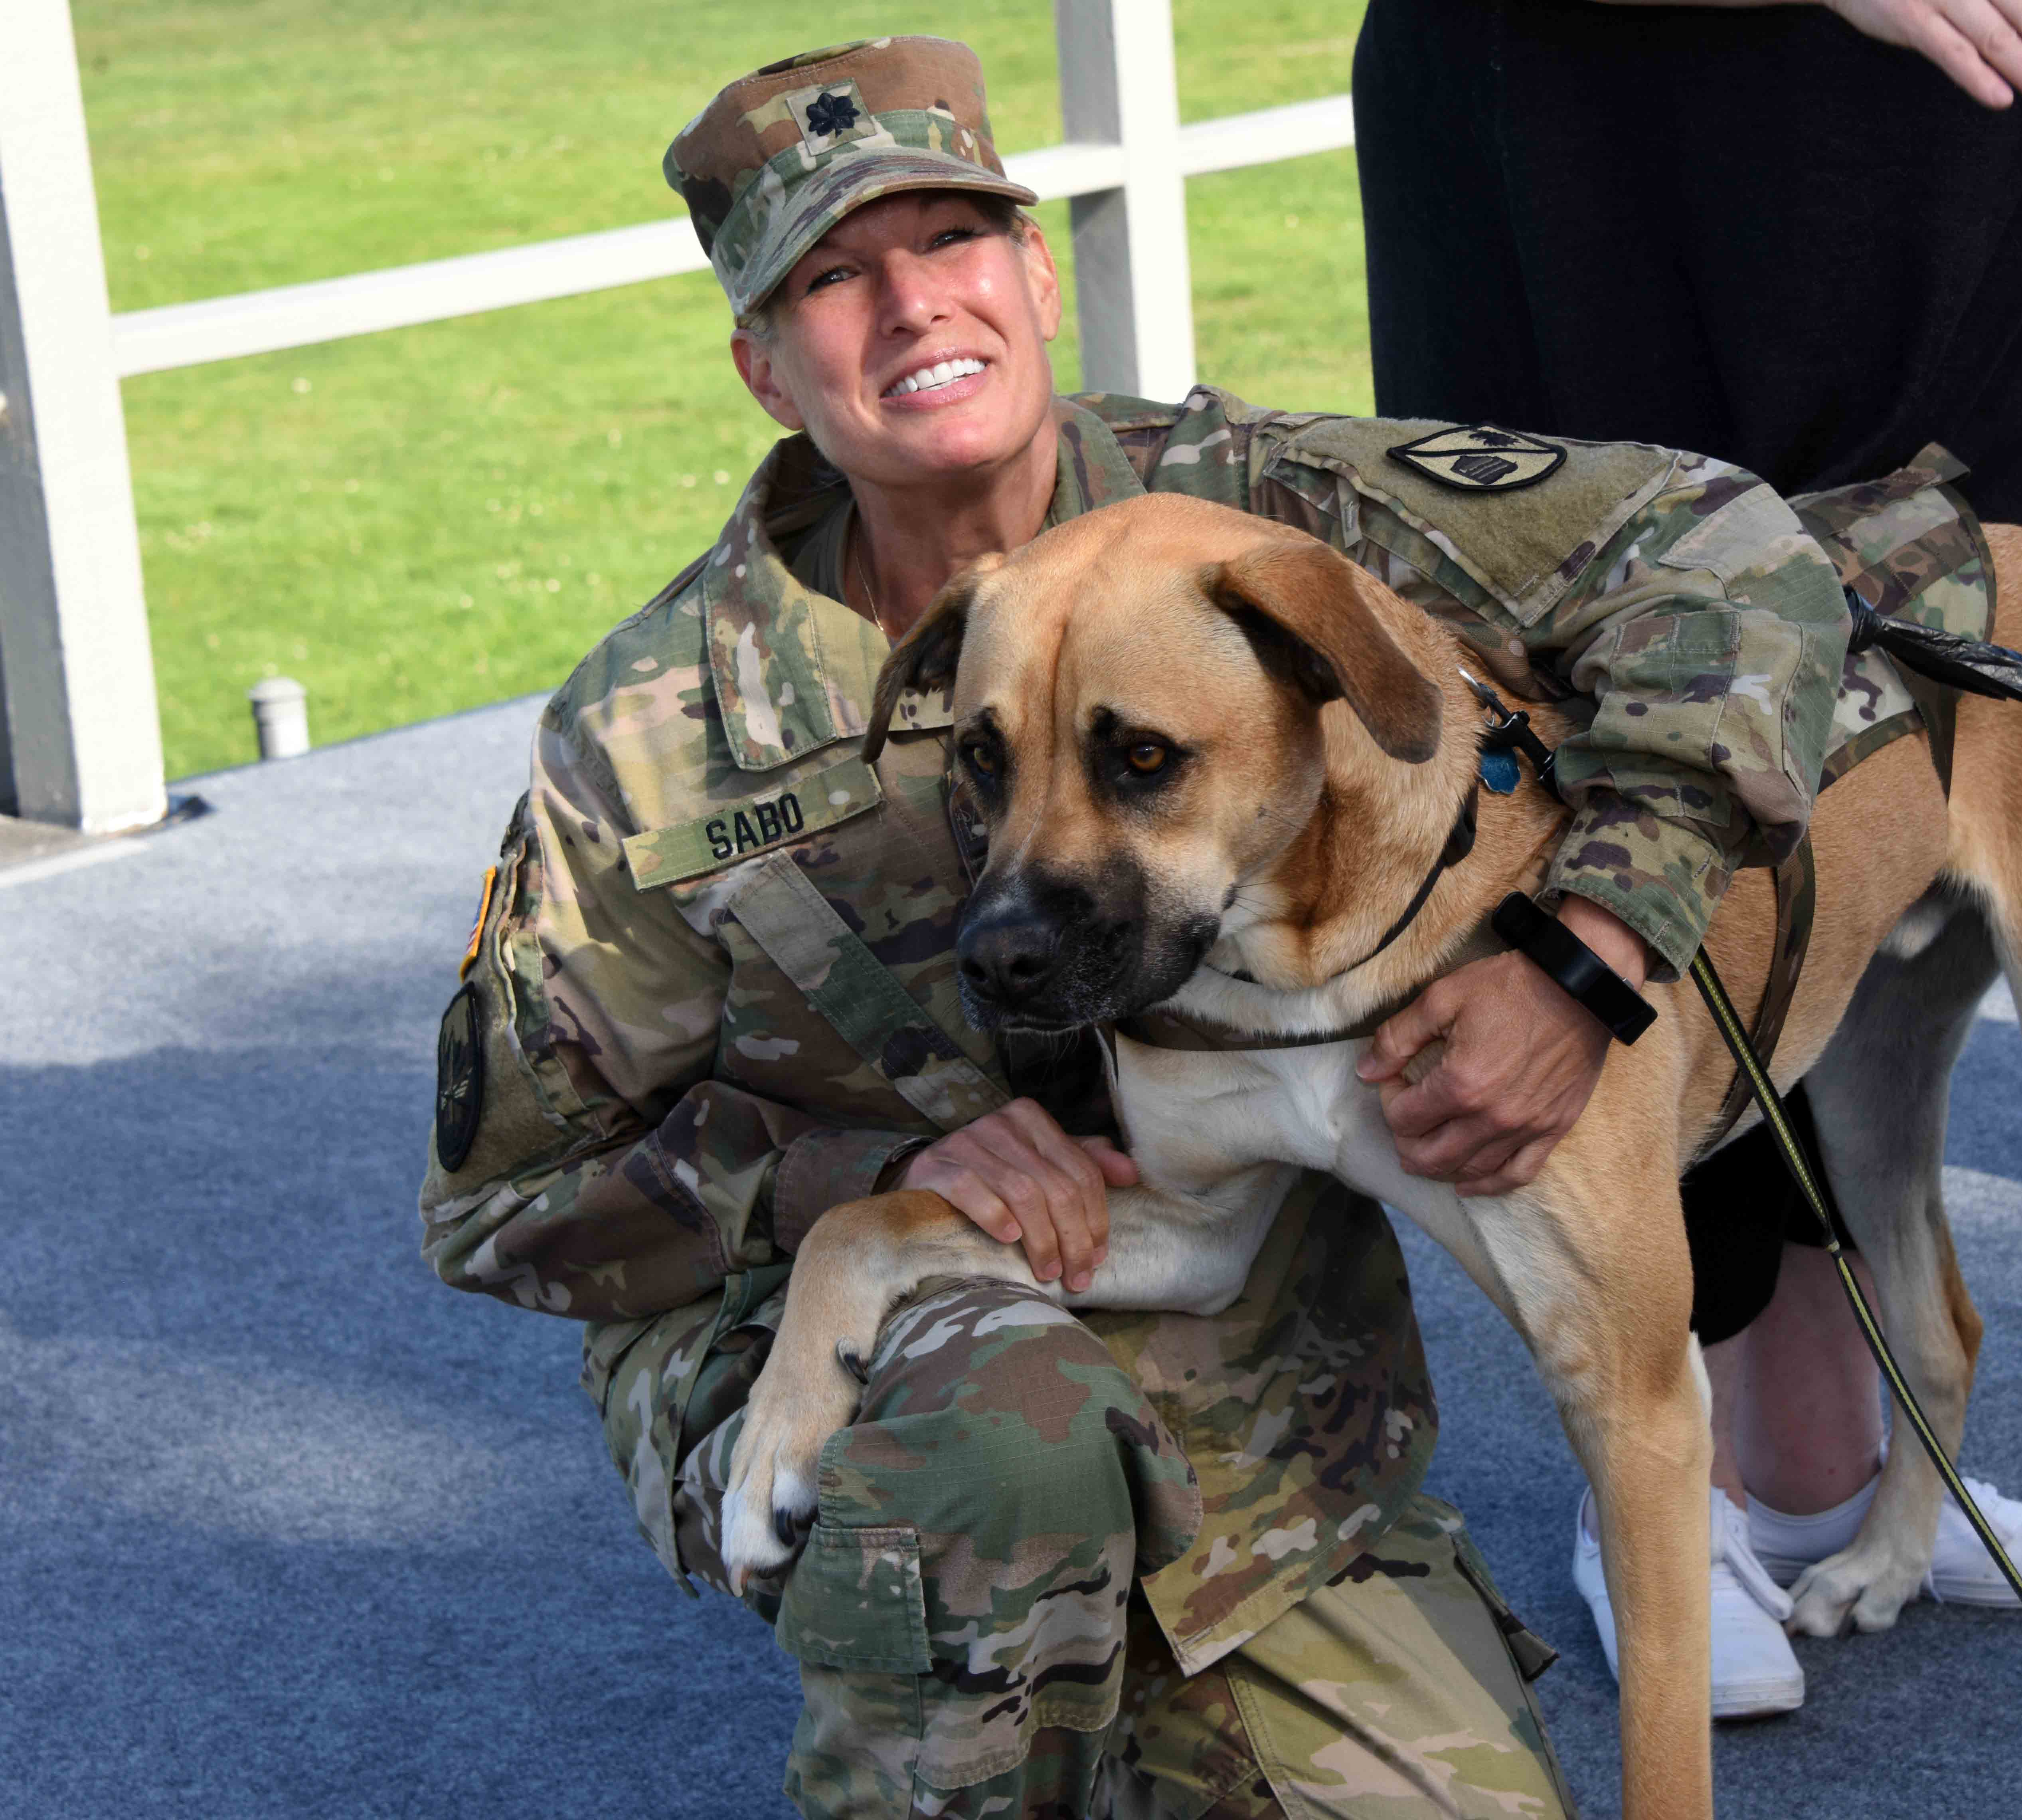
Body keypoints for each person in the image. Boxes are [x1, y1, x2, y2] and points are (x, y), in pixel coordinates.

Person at [418, 34, 1877, 1816]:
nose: (912, 306)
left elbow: (1732, 555)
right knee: (1005, 1442)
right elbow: (500, 1206)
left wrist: (1595, 951)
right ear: (763, 367)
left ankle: (1159, 1691)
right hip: (880, 1359)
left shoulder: (1254, 512)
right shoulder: (645, 734)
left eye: (951, 240)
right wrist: (860, 1183)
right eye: (832, 279)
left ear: (1035, 276)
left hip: (1230, 1380)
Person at [1353, 0, 2022, 1720]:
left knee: (1926, 757)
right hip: (1609, 126)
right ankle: (1672, 1480)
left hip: (1991, 146)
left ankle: (1830, 1462)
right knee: (1631, 714)